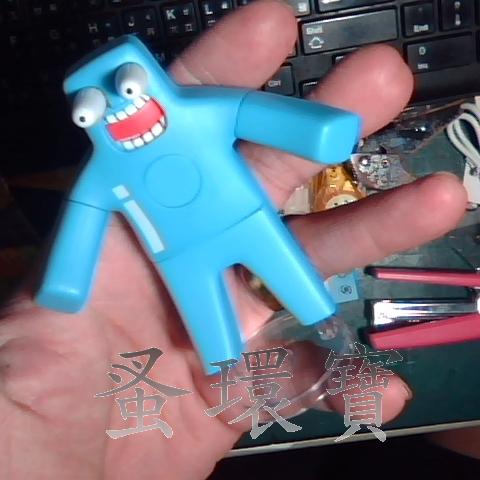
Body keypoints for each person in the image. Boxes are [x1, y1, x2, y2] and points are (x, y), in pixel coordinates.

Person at [0, 0, 470, 478]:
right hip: (184, 255)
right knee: (211, 327)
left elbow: (254, 113)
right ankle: (227, 368)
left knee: (300, 286)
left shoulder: (196, 112)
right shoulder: (110, 166)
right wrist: (65, 283)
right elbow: (84, 217)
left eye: (124, 90)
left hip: (245, 221)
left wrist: (323, 131)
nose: (121, 110)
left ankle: (321, 330)